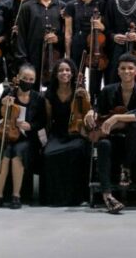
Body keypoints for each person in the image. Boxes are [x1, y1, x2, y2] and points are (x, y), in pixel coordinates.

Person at [84, 53, 136, 214]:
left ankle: (126, 168)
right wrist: (91, 112)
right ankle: (108, 195)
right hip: (112, 138)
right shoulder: (108, 90)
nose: (127, 71)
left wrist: (116, 117)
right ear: (118, 71)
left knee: (135, 128)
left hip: (134, 143)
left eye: (130, 68)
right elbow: (98, 109)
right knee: (102, 144)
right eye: (123, 68)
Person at [0, 64, 46, 209]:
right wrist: (2, 104)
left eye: (31, 79)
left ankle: (16, 195)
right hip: (8, 133)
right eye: (25, 78)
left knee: (17, 154)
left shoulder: (38, 97)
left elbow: (42, 121)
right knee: (5, 153)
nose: (27, 81)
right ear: (18, 78)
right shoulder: (9, 93)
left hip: (27, 138)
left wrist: (30, 126)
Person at [41, 58, 90, 206]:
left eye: (67, 70)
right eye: (61, 70)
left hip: (76, 132)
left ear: (73, 73)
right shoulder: (49, 95)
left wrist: (86, 97)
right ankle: (55, 197)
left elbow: (87, 115)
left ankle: (77, 197)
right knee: (48, 154)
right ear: (56, 74)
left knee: (78, 150)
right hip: (58, 133)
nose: (64, 73)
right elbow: (49, 120)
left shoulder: (80, 91)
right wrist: (45, 140)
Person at [15, 0, 65, 89]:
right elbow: (20, 36)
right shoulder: (27, 7)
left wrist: (58, 38)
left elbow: (68, 34)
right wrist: (24, 63)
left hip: (55, 59)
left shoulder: (63, 6)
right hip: (32, 59)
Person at [63, 0, 106, 99]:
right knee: (77, 77)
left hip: (96, 43)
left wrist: (101, 26)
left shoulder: (101, 3)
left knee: (95, 78)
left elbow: (105, 27)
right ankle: (78, 104)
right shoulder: (70, 5)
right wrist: (68, 54)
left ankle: (94, 101)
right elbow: (68, 32)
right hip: (78, 42)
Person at [2, 0, 33, 77]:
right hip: (13, 53)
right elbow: (4, 30)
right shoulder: (7, 5)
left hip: (32, 50)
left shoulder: (36, 3)